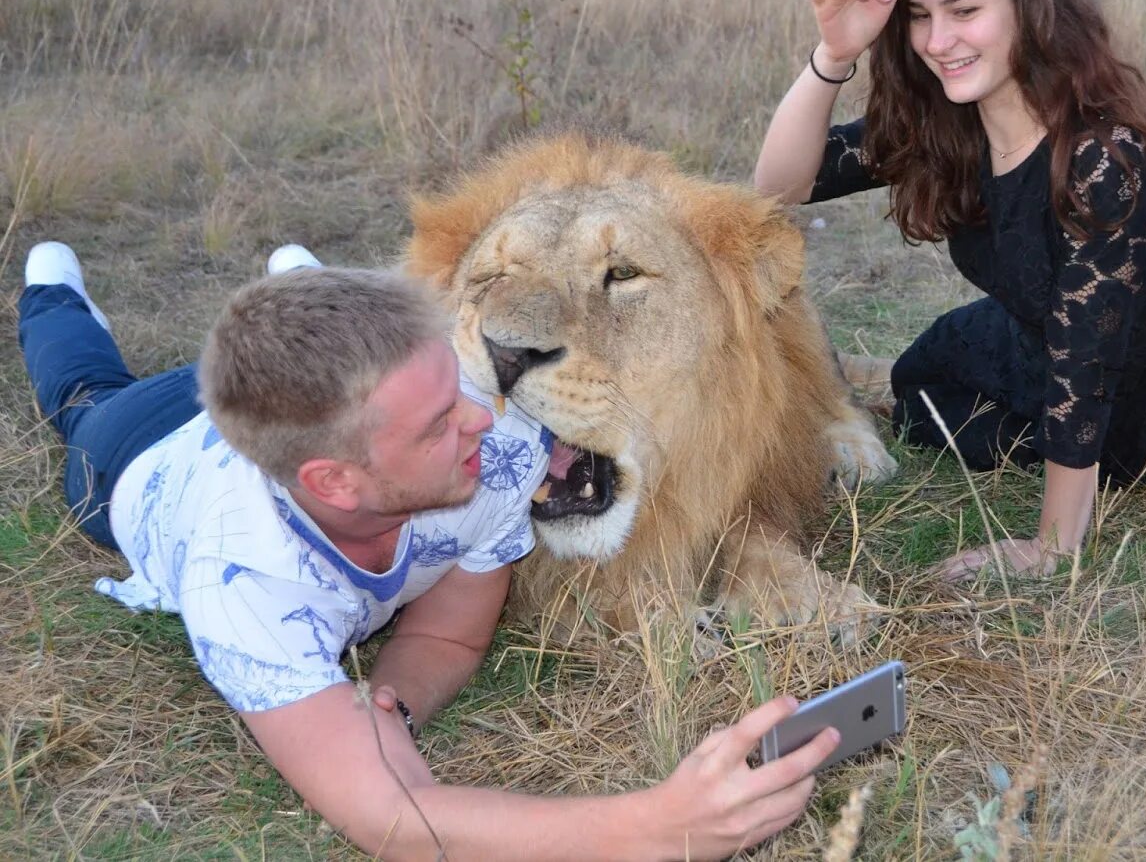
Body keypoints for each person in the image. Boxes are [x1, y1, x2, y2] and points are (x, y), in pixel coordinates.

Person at [16, 240, 838, 860]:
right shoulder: (244, 586)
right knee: (83, 395)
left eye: (456, 389)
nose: (487, 421)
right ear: (338, 484)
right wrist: (656, 826)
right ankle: (50, 293)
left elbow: (450, 631)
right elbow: (395, 819)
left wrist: (391, 704)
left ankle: (307, 294)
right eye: (440, 424)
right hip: (136, 454)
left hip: (295, 411)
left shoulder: (490, 438)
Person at [754, 0, 1146, 583]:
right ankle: (898, 386)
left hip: (1143, 412)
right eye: (920, 15)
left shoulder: (1105, 161)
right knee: (918, 390)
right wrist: (833, 55)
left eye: (964, 10)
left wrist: (1050, 546)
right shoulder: (952, 124)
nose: (938, 41)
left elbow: (1085, 371)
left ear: (1030, 4)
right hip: (1028, 340)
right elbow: (780, 186)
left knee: (986, 419)